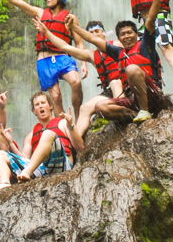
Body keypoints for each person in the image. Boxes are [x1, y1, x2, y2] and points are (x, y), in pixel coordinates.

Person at [0, 0, 88, 119]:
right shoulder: (40, 13)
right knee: (56, 97)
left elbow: (79, 42)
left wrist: (83, 63)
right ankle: (61, 127)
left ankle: (78, 119)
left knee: (76, 82)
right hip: (44, 60)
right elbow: (17, 1)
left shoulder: (69, 18)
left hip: (62, 57)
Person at [68, 0, 166, 123]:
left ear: (136, 34)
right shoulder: (118, 52)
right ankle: (134, 114)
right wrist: (73, 27)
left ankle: (145, 111)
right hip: (132, 99)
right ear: (118, 38)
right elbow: (92, 39)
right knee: (100, 107)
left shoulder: (145, 45)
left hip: (152, 94)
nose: (126, 36)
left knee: (131, 69)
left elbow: (150, 20)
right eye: (122, 34)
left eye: (129, 33)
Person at [31, 18, 128, 151]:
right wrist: (46, 32)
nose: (94, 34)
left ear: (104, 33)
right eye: (91, 32)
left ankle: (125, 109)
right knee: (84, 108)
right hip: (109, 91)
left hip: (126, 84)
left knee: (115, 82)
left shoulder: (117, 44)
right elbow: (65, 47)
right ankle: (74, 144)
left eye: (97, 31)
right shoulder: (91, 55)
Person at [0, 91, 76, 193]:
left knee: (47, 133)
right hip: (41, 170)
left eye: (43, 103)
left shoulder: (63, 123)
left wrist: (71, 126)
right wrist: (10, 142)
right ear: (34, 110)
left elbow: (79, 146)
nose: (40, 106)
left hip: (61, 165)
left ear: (50, 106)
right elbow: (24, 158)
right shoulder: (30, 136)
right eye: (37, 104)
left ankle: (27, 172)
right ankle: (4, 183)